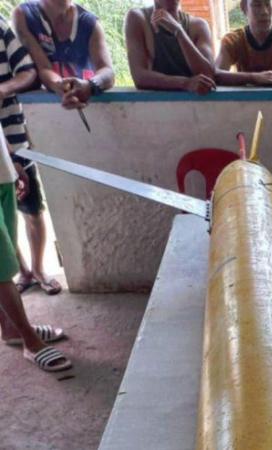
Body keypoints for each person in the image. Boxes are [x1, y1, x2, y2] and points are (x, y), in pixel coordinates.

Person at [12, 0, 114, 295]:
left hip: (76, 122)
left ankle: (41, 269)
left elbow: (108, 70)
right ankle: (23, 271)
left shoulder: (88, 22)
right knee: (23, 195)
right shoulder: (24, 15)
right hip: (27, 121)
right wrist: (62, 87)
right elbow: (41, 68)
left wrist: (90, 85)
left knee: (42, 198)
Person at [1, 132, 71, 372]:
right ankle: (30, 341)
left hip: (3, 175)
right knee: (1, 270)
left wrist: (11, 158)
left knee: (5, 259)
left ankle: (10, 328)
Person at [125, 0, 215, 95]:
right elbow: (140, 77)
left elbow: (208, 76)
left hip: (199, 106)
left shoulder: (198, 25)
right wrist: (186, 83)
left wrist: (179, 31)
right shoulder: (138, 18)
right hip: (154, 106)